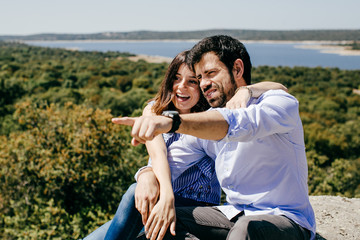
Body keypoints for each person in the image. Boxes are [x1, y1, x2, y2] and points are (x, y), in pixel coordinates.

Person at [113, 35, 316, 240]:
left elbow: (236, 123)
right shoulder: (208, 125)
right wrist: (146, 173)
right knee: (160, 223)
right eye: (200, 78)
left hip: (285, 220)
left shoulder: (276, 103)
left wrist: (173, 122)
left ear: (237, 69)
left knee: (246, 229)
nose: (204, 84)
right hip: (234, 215)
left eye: (211, 73)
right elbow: (171, 159)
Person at [84, 50, 286, 240]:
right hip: (164, 197)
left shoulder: (207, 122)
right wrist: (147, 175)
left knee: (131, 197)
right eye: (176, 78)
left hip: (195, 207)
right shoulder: (154, 110)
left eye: (192, 81)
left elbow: (280, 88)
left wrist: (246, 91)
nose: (181, 87)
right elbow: (158, 155)